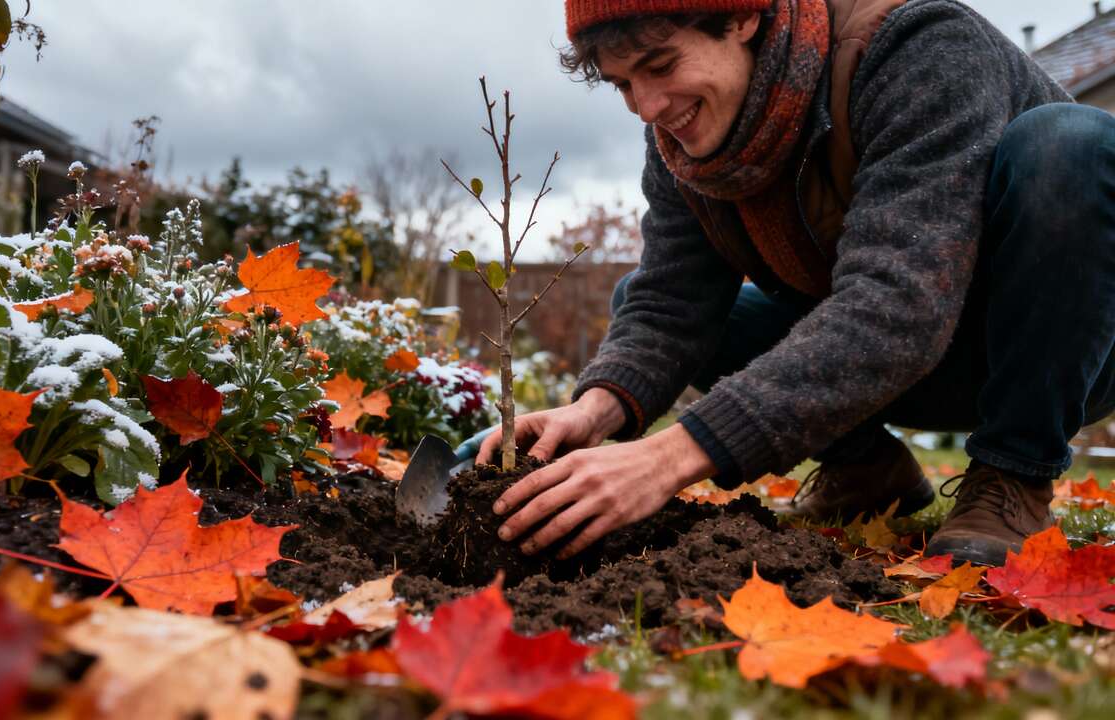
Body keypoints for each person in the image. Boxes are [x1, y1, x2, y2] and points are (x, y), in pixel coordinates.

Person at [476, 0, 1115, 566]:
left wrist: (673, 457)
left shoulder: (917, 48)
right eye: (622, 85)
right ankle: (868, 470)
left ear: (742, 17)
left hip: (1066, 350)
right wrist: (597, 409)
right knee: (643, 301)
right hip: (915, 370)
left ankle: (1012, 478)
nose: (647, 107)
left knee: (1069, 141)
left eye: (662, 65)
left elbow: (898, 303)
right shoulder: (679, 139)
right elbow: (672, 304)